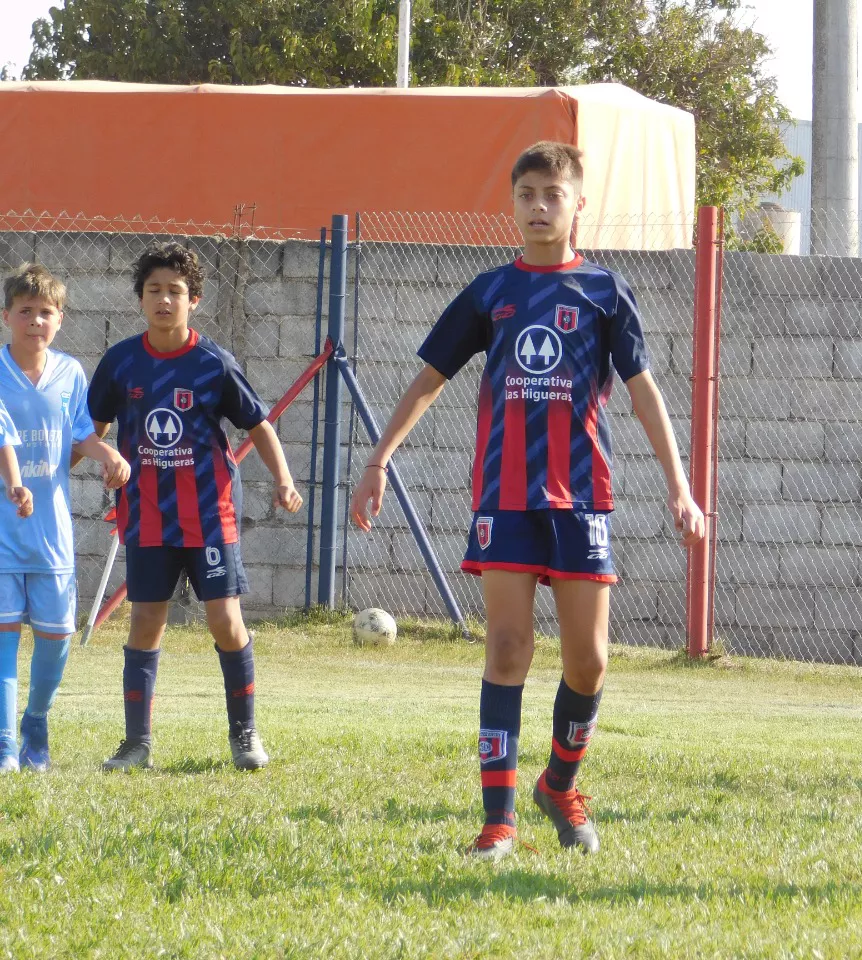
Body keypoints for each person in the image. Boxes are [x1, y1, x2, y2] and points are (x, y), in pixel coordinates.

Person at [351, 141, 705, 861]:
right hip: (505, 498)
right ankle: (498, 821)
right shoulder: (490, 292)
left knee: (590, 663)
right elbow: (429, 380)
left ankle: (559, 786)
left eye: (553, 194)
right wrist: (378, 459)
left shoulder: (605, 292)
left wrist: (680, 485)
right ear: (512, 204)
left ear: (579, 205)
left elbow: (643, 392)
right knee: (508, 649)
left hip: (582, 498)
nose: (540, 207)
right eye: (527, 195)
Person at [87, 241, 303, 772]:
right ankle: (136, 744)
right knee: (145, 622)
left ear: (194, 300)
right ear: (140, 298)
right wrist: (96, 455)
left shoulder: (213, 364)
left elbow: (258, 424)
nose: (164, 300)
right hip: (147, 515)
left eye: (175, 291)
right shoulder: (121, 362)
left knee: (225, 621)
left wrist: (283, 479)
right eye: (154, 290)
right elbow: (92, 430)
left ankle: (245, 736)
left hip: (208, 515)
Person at [0, 263, 129, 772]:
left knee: (57, 638)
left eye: (45, 312)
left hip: (50, 531)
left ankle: (35, 723)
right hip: (3, 532)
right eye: (25, 311)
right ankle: (5, 748)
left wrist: (108, 454)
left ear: (60, 319)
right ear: (6, 316)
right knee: (4, 641)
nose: (35, 320)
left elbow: (81, 434)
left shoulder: (71, 373)